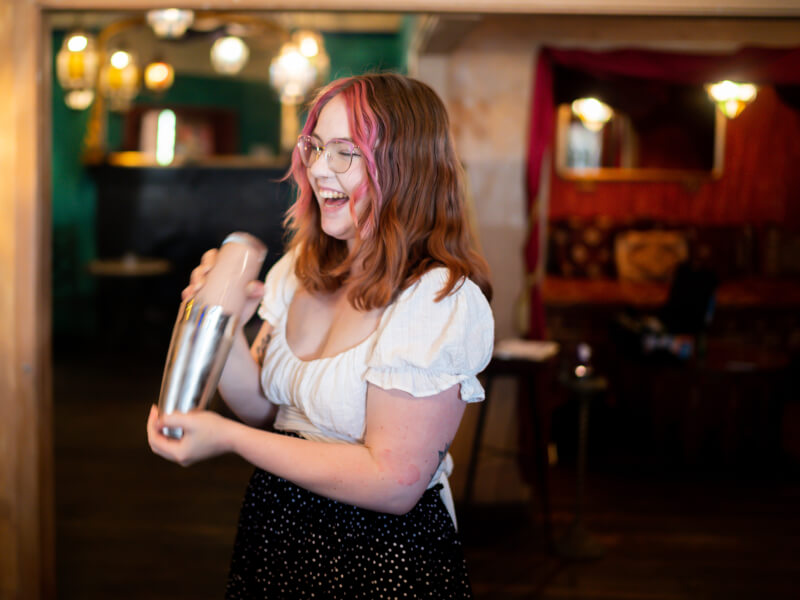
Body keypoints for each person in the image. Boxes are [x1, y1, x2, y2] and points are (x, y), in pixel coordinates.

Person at [147, 72, 495, 599]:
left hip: (378, 554)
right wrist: (222, 323)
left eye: (344, 152)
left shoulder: (436, 300)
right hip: (278, 529)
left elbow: (394, 481)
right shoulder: (300, 269)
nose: (316, 168)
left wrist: (227, 439)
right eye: (314, 147)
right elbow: (269, 410)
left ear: (405, 165)